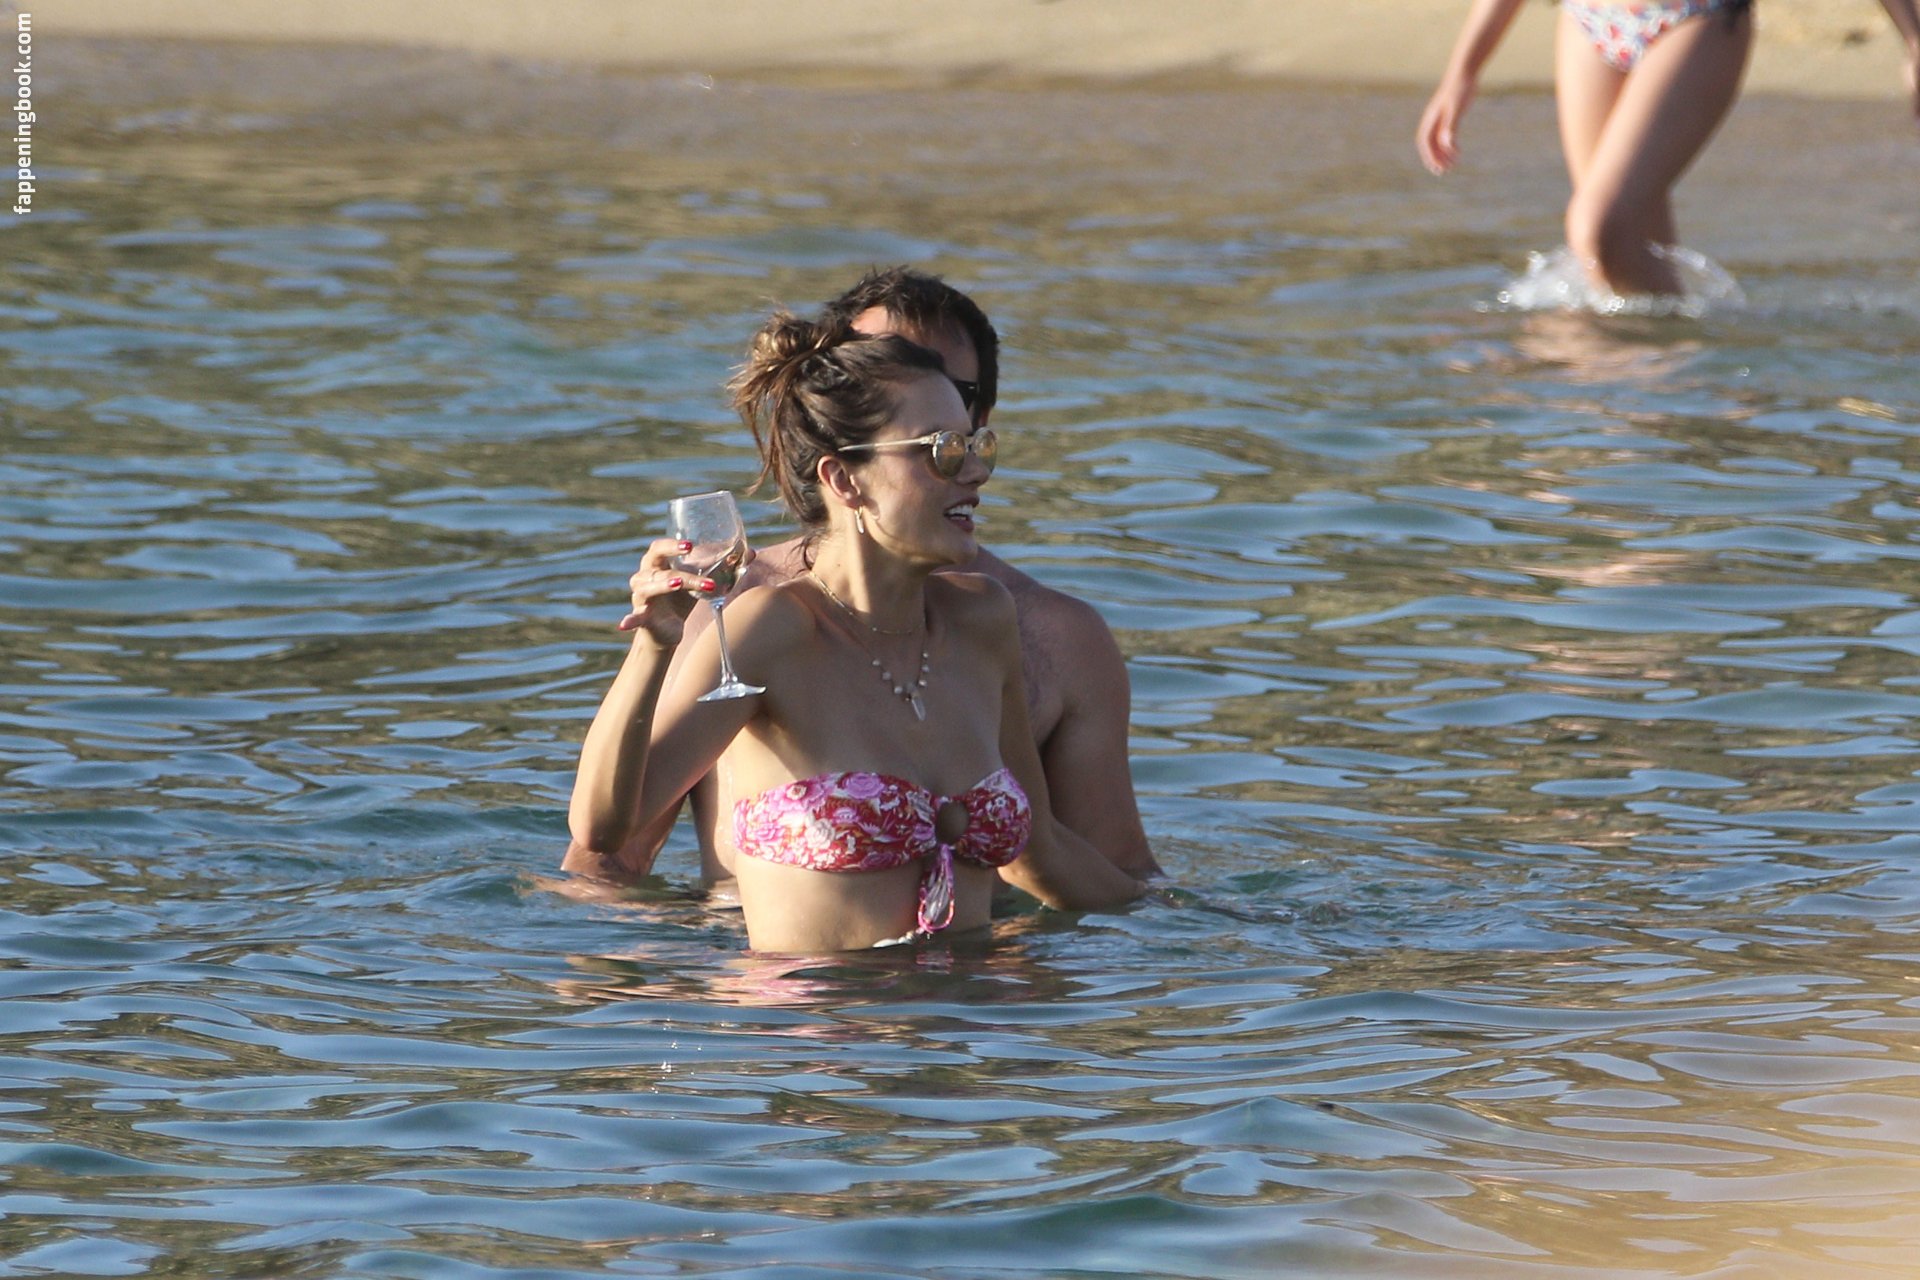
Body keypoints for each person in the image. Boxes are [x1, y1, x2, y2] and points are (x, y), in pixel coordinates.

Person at [562, 313, 1145, 952]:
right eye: (943, 451)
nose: (976, 472)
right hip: (821, 1013)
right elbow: (604, 830)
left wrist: (1197, 929)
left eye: (978, 446)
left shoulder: (984, 621)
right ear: (843, 479)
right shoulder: (772, 630)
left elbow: (1041, 853)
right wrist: (652, 647)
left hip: (981, 1010)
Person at [1418, 0, 1920, 297]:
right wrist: (1463, 72)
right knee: (1625, 244)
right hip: (1588, 19)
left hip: (1694, 17)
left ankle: (1652, 385)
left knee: (1598, 226)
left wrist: (1913, 38)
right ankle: (1655, 403)